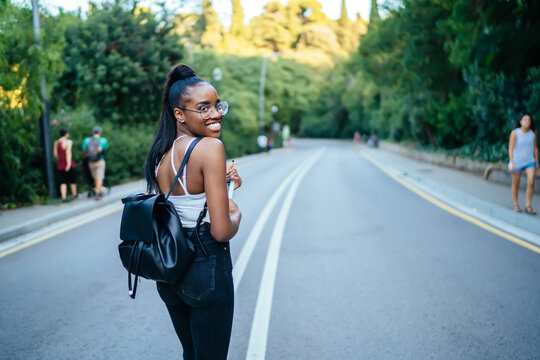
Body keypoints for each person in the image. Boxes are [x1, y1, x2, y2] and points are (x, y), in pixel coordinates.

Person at [144, 64, 242, 360]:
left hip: (171, 268)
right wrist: (235, 207)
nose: (216, 113)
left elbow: (184, 204)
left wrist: (224, 187)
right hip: (204, 265)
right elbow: (221, 229)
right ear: (179, 114)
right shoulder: (210, 148)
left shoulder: (162, 152)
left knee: (192, 353)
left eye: (217, 105)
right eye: (204, 108)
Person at [508, 112, 538, 214]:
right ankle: (516, 204)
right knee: (516, 184)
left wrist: (537, 162)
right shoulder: (515, 133)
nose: (527, 122)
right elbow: (511, 149)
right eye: (525, 120)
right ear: (520, 121)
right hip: (517, 161)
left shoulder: (533, 133)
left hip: (530, 161)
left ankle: (528, 205)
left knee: (531, 182)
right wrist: (512, 163)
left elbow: (535, 148)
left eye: (529, 120)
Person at [82, 126, 109, 200]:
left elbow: (84, 150)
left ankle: (97, 190)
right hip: (100, 161)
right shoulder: (103, 140)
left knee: (95, 177)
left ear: (93, 132)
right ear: (100, 132)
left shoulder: (87, 140)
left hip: (90, 161)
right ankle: (97, 194)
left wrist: (86, 157)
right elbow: (105, 148)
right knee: (100, 177)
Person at [53, 128, 78, 200]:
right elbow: (68, 153)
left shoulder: (56, 142)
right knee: (72, 180)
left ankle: (63, 197)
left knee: (62, 181)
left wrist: (59, 159)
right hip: (69, 163)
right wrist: (68, 164)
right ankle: (74, 195)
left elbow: (55, 154)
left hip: (61, 164)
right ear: (66, 134)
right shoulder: (68, 142)